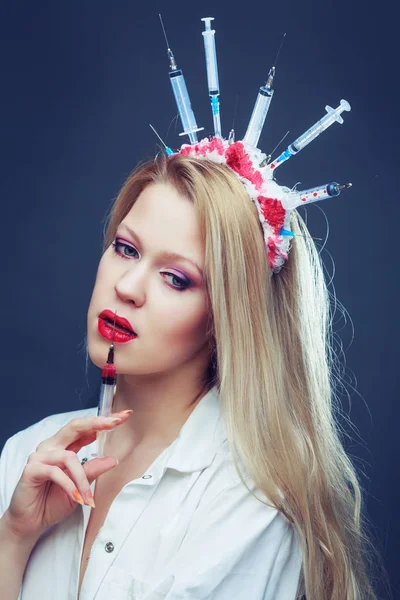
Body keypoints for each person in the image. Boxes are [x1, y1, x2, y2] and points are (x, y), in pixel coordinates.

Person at [0, 147, 388, 599]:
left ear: (226, 316)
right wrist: (13, 537)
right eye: (126, 249)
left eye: (176, 278)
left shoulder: (251, 500)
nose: (127, 287)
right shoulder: (27, 455)